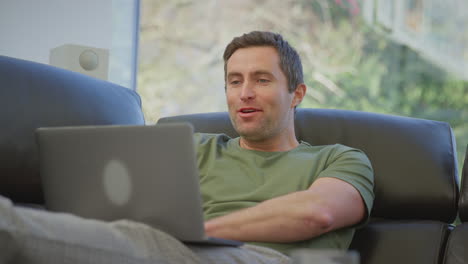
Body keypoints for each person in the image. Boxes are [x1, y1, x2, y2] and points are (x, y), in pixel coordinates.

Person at [0, 31, 373, 264]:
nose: (244, 92)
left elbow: (317, 213)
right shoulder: (192, 147)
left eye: (261, 79)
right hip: (169, 250)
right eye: (234, 80)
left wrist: (200, 231)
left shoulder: (340, 159)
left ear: (297, 94)